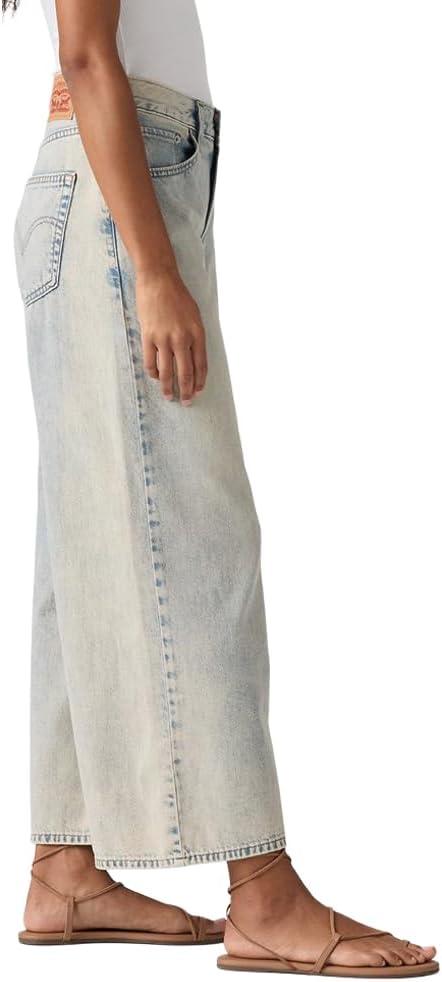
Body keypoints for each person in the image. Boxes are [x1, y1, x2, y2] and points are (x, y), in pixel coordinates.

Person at [7, 0, 437, 973]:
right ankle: (263, 893)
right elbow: (86, 53)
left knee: (82, 544)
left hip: (109, 177)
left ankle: (66, 866)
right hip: (122, 193)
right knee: (200, 542)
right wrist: (155, 269)